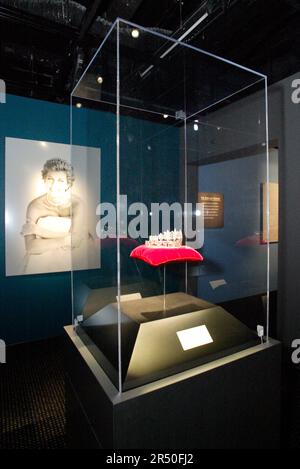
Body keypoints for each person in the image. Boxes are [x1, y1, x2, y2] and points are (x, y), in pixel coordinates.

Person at [21, 158, 86, 274]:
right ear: (44, 180)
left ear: (68, 184)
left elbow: (76, 242)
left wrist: (38, 230)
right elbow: (30, 247)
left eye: (60, 180)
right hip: (38, 264)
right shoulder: (34, 206)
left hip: (70, 263)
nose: (55, 184)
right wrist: (66, 240)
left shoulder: (77, 204)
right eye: (50, 179)